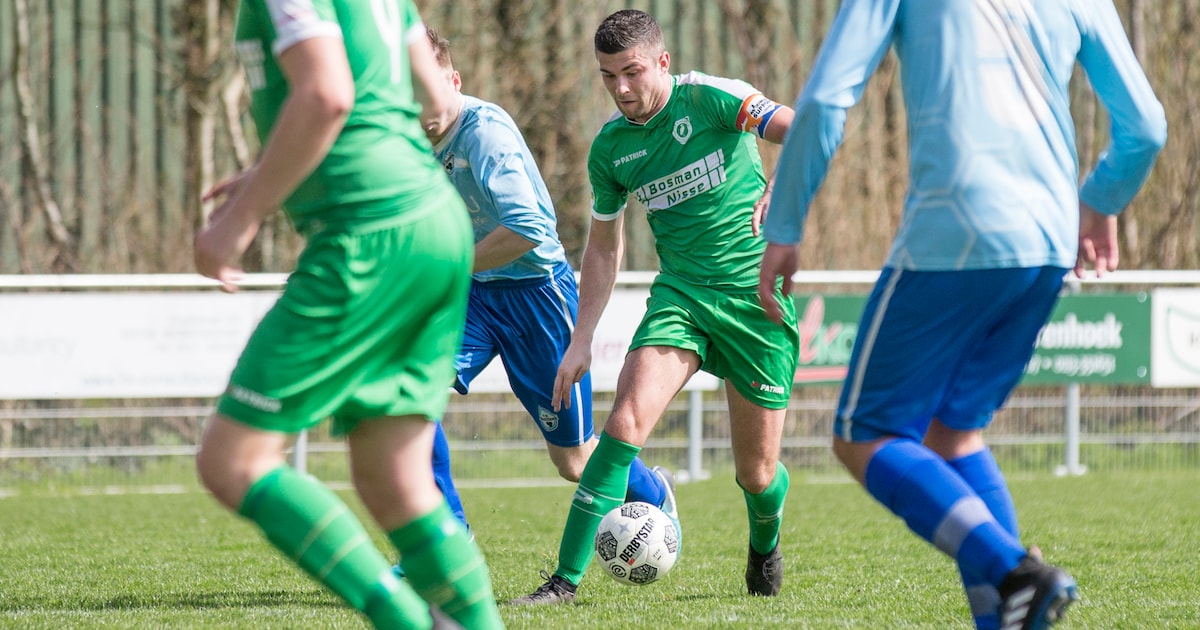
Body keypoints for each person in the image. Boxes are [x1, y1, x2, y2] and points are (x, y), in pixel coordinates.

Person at [758, 2, 1166, 629]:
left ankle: (1016, 571)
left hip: (954, 234)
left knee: (863, 435)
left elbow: (823, 104)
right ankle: (1009, 615)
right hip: (1049, 241)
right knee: (952, 435)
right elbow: (1145, 127)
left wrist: (785, 222)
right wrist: (1103, 197)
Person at [193, 2, 505, 628]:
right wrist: (278, 167)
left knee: (235, 459)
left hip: (369, 234)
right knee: (396, 480)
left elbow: (329, 94)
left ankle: (403, 621)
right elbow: (425, 90)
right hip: (433, 225)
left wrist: (240, 219)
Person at [512, 9, 800, 605]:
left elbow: (803, 129)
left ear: (662, 62)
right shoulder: (611, 149)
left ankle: (764, 542)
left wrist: (783, 186)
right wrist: (580, 337)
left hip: (754, 300)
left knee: (758, 475)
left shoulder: (715, 99)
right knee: (622, 425)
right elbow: (601, 247)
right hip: (682, 296)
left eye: (631, 72)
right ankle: (564, 581)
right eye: (607, 76)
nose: (620, 88)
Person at [413, 28, 674, 537]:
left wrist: (448, 262)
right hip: (470, 295)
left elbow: (530, 230)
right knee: (405, 393)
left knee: (574, 462)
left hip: (535, 294)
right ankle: (446, 542)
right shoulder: (401, 140)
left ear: (454, 80)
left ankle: (653, 494)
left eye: (427, 89)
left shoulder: (484, 133)